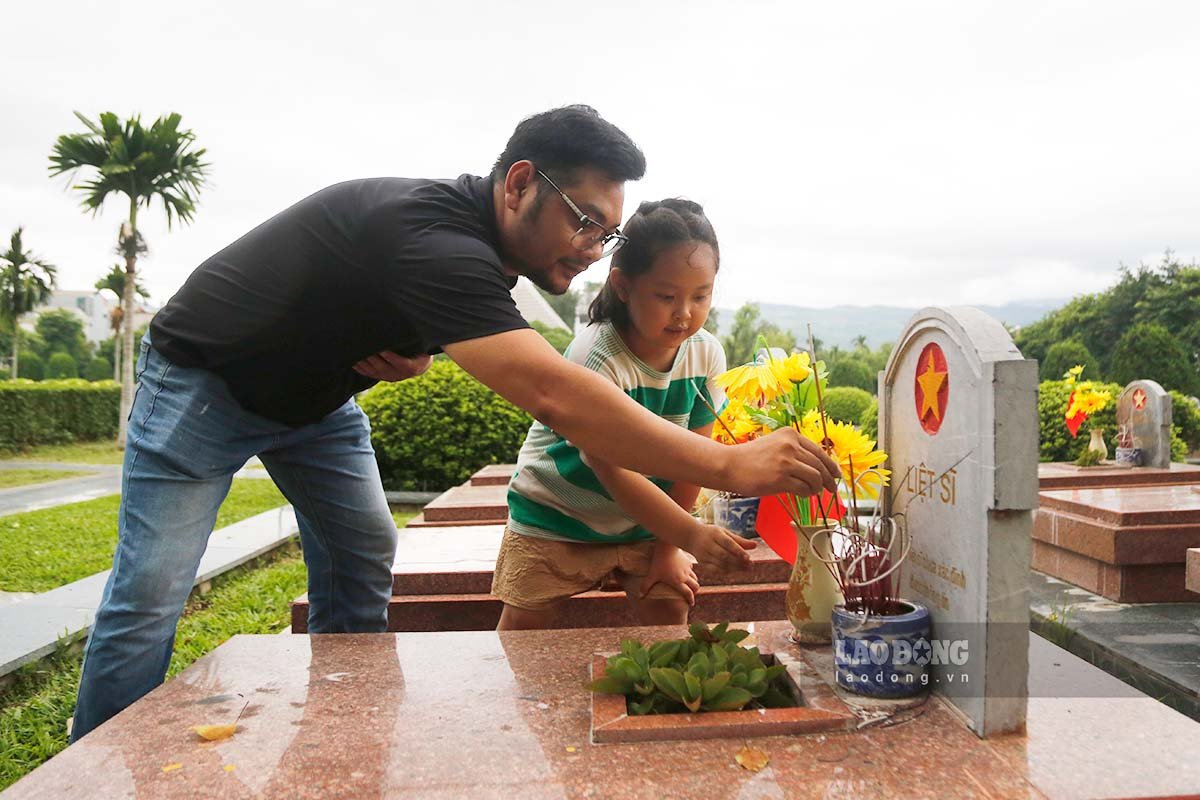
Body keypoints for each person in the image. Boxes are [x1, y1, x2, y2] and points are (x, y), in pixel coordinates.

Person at [70, 105, 839, 741]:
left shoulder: (482, 253)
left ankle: (342, 732)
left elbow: (416, 309)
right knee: (151, 593)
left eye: (606, 233)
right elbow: (556, 394)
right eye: (584, 222)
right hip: (206, 384)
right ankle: (95, 768)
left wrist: (416, 345)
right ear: (517, 185)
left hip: (312, 407)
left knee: (364, 550)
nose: (594, 246)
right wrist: (732, 468)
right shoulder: (435, 236)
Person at [495, 199, 736, 629]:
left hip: (649, 519)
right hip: (555, 515)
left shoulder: (706, 355)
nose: (685, 313)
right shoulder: (597, 356)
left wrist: (669, 546)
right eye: (666, 296)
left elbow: (694, 460)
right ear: (623, 286)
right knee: (521, 641)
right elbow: (613, 472)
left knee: (669, 618)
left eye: (701, 296)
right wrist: (692, 535)